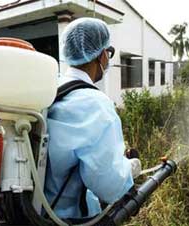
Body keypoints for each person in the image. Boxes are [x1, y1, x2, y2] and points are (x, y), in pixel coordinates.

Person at [44, 18, 141, 219]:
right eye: (109, 52)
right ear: (102, 54)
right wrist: (131, 167)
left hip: (38, 212)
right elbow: (109, 187)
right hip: (68, 218)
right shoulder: (95, 105)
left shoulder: (51, 89)